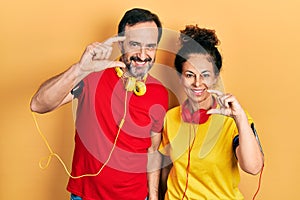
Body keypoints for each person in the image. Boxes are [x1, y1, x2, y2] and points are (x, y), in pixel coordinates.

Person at [30, 8, 168, 200]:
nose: (143, 55)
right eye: (135, 45)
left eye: (150, 46)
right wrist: (79, 69)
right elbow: (38, 104)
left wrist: (153, 198)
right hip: (86, 196)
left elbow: (152, 151)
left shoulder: (159, 93)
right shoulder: (92, 75)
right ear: (121, 45)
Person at [159, 25, 264, 199]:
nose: (197, 83)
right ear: (179, 77)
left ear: (215, 77)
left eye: (205, 75)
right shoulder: (170, 118)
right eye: (190, 75)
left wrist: (240, 118)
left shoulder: (235, 119)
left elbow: (253, 168)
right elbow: (166, 169)